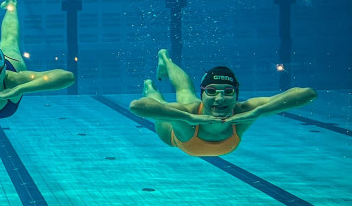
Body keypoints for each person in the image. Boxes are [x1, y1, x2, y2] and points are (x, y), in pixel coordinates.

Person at [129, 49, 317, 156]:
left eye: (227, 92)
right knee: (164, 98)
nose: (219, 99)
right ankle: (152, 83)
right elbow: (137, 106)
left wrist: (257, 112)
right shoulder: (188, 113)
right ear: (203, 95)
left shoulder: (244, 111)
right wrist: (188, 117)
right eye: (211, 92)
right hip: (175, 137)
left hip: (193, 119)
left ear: (236, 94)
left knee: (186, 92)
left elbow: (307, 94)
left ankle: (165, 60)